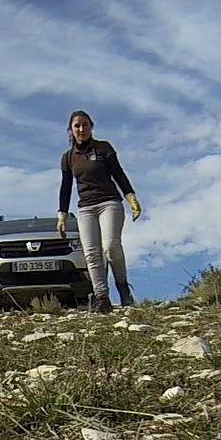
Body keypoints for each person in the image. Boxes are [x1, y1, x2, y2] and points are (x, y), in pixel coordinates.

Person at [57, 110, 142, 313]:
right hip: (85, 208)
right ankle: (101, 297)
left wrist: (131, 198)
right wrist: (62, 215)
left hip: (109, 203)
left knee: (110, 247)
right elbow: (66, 186)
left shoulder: (103, 148)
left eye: (85, 124)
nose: (81, 129)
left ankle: (123, 288)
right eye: (77, 125)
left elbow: (118, 173)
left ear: (91, 127)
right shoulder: (68, 158)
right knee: (91, 254)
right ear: (71, 130)